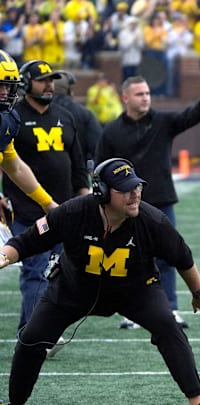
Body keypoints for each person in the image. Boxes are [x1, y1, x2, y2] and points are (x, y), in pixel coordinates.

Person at [0, 157, 200, 405]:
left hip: (136, 292)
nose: (135, 195)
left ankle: (197, 400)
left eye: (137, 187)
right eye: (125, 190)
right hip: (73, 290)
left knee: (168, 328)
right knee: (30, 339)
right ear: (101, 192)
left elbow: (183, 257)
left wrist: (199, 293)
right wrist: (4, 255)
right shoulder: (73, 212)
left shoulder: (152, 220)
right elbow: (26, 241)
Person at [95, 76, 200, 329]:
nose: (146, 97)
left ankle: (170, 308)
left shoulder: (161, 121)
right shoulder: (112, 130)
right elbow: (100, 168)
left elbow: (185, 118)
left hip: (160, 201)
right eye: (139, 94)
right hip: (125, 207)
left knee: (168, 256)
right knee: (127, 257)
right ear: (125, 98)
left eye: (148, 93)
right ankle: (131, 311)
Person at [6, 59, 89, 337]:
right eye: (43, 80)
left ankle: (37, 328)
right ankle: (33, 331)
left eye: (52, 80)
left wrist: (76, 197)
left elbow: (75, 162)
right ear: (28, 83)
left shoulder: (63, 115)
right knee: (36, 271)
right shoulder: (15, 115)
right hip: (26, 212)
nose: (49, 85)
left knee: (58, 273)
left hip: (60, 209)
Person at [0, 50, 59, 239]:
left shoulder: (6, 120)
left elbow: (14, 166)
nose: (4, 93)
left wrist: (47, 203)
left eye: (7, 87)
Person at [53, 70, 103, 165]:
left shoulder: (37, 111)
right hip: (77, 173)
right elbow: (98, 148)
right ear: (69, 90)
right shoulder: (84, 113)